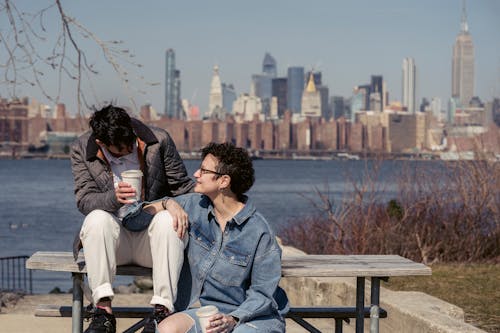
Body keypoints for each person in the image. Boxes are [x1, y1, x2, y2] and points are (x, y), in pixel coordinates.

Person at [70, 104, 194, 333]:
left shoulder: (158, 140)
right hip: (113, 243)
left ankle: (162, 311)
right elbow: (84, 200)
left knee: (168, 220)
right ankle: (103, 312)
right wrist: (113, 198)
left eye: (131, 144)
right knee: (97, 219)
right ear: (101, 143)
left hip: (154, 241)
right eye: (120, 149)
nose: (128, 150)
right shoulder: (81, 148)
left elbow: (183, 189)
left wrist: (169, 202)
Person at [146, 142, 289, 333]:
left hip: (253, 317)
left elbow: (263, 294)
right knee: (167, 329)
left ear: (223, 181)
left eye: (203, 170)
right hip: (207, 313)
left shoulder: (259, 231)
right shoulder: (193, 205)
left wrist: (233, 319)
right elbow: (135, 217)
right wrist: (168, 203)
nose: (196, 174)